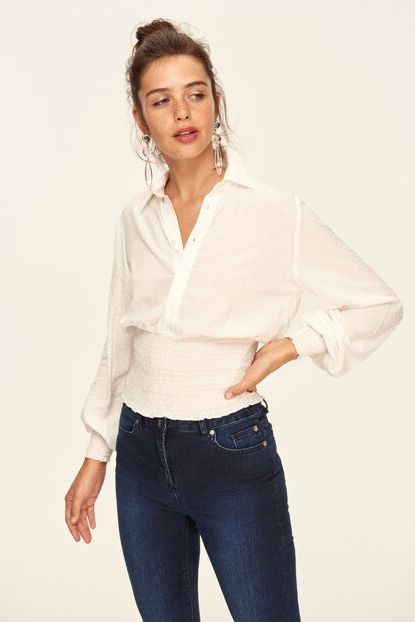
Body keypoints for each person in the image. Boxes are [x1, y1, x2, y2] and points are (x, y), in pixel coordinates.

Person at [64, 18, 403, 622]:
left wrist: (293, 344)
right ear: (141, 120)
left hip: (230, 449)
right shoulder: (134, 219)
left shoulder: (274, 213)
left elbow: (380, 303)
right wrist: (96, 453)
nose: (182, 111)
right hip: (139, 455)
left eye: (195, 93)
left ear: (216, 102)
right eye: (161, 101)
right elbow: (119, 344)